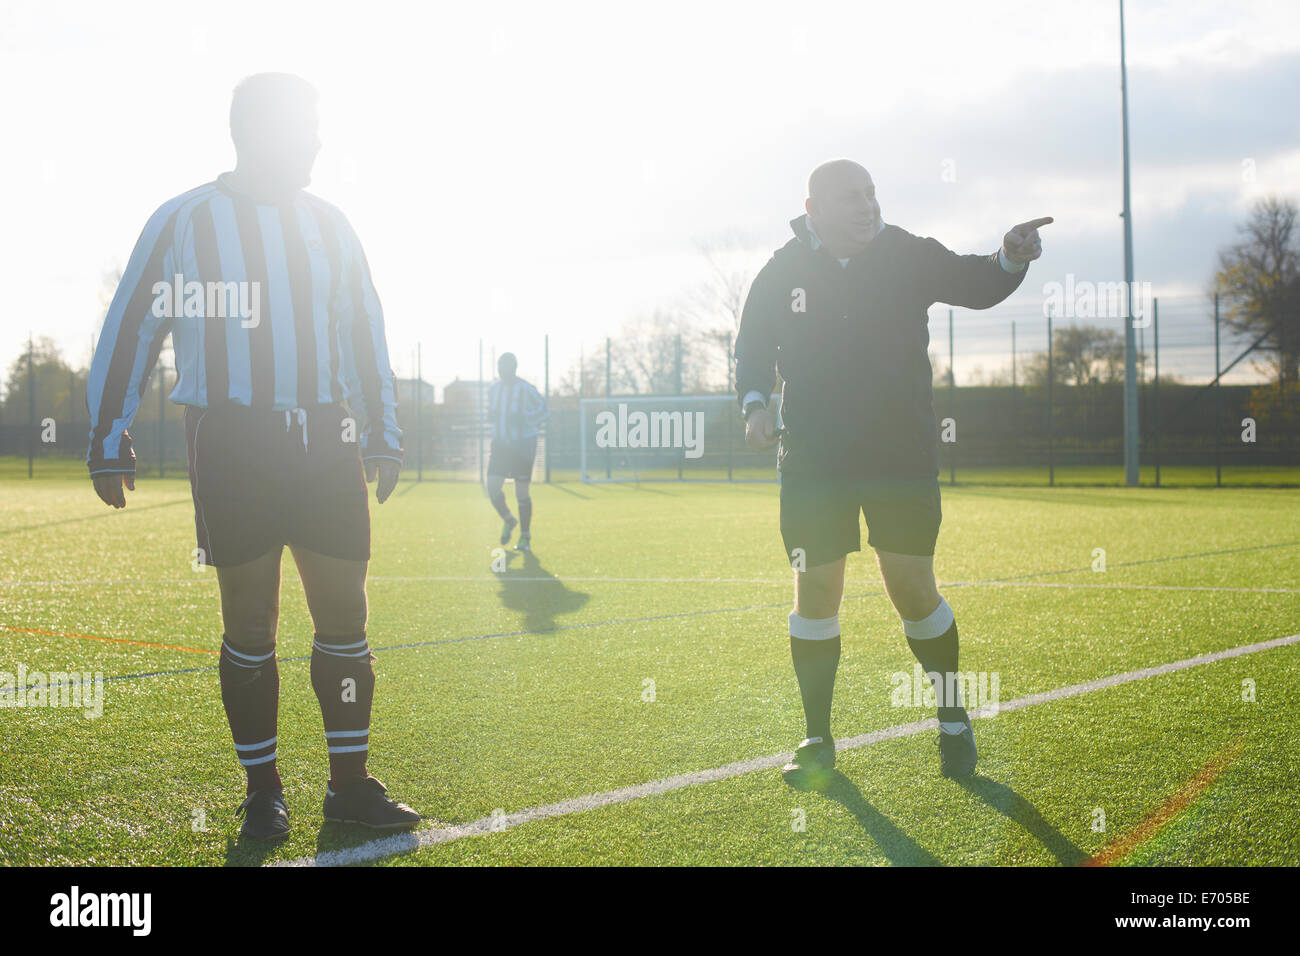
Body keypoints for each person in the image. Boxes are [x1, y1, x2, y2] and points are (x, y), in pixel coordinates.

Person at [86, 73, 420, 838]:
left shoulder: (330, 224)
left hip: (327, 435)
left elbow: (365, 327)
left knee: (344, 613)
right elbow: (134, 324)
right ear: (257, 132)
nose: (316, 140)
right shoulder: (185, 222)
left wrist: (384, 431)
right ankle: (263, 790)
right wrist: (109, 435)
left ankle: (349, 786)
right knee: (249, 619)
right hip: (233, 439)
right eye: (303, 125)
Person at [734, 159, 1050, 787]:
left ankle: (952, 715)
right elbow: (750, 347)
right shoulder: (781, 270)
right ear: (814, 207)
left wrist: (1010, 257)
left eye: (872, 194)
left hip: (898, 454)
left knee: (911, 589)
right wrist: (753, 404)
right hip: (814, 460)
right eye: (852, 197)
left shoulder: (905, 253)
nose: (867, 205)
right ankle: (818, 739)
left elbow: (976, 281)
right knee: (816, 593)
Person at [485, 352, 548, 552]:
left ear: (514, 368)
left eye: (506, 367)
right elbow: (491, 412)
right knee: (492, 487)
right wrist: (491, 415)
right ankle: (509, 519)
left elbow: (544, 410)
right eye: (500, 367)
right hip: (501, 445)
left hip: (522, 445)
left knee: (521, 491)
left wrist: (526, 418)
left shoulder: (526, 389)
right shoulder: (493, 389)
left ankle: (525, 537)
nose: (503, 371)